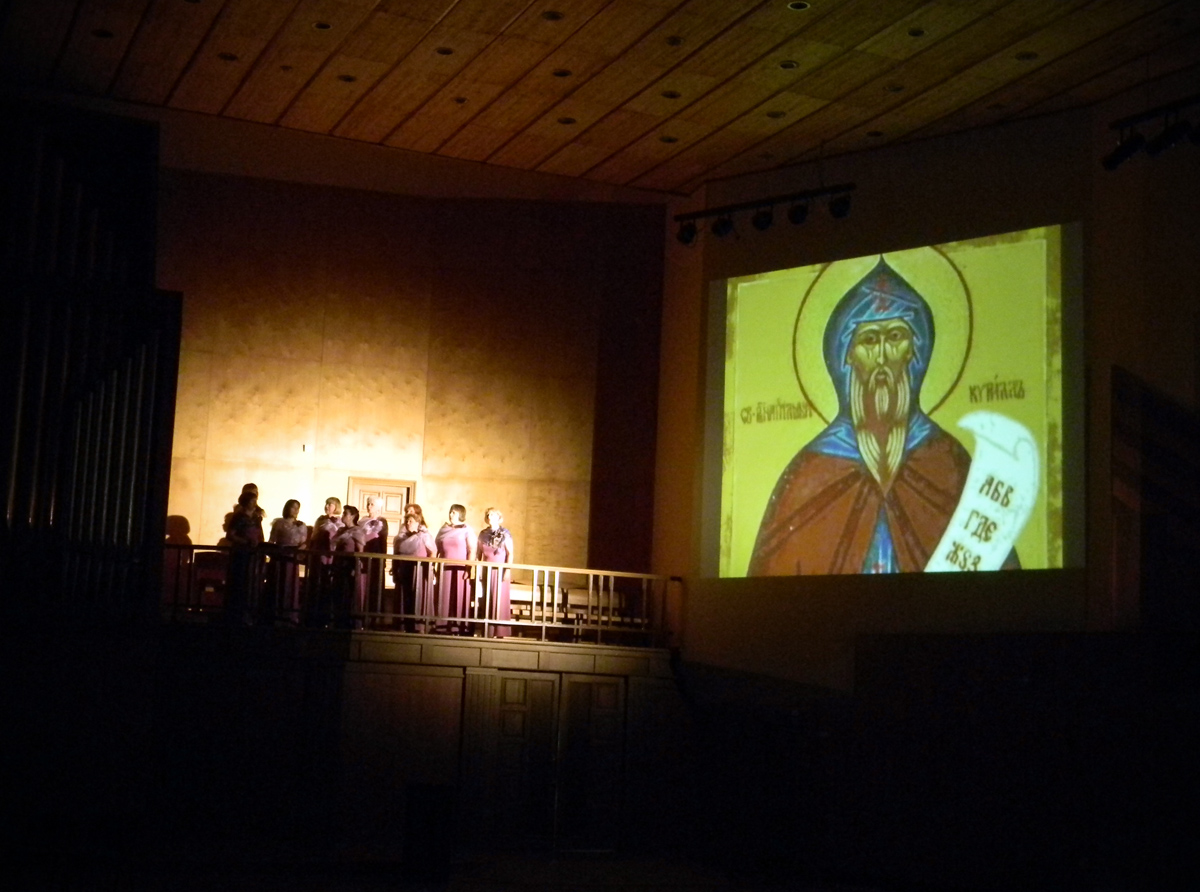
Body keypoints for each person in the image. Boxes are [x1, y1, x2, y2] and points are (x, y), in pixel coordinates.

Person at [749, 258, 1017, 575]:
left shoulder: (947, 460)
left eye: (895, 337)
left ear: (914, 351)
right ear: (847, 355)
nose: (881, 358)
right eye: (869, 340)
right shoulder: (811, 470)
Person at [434, 504, 475, 633]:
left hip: (461, 568)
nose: (451, 514)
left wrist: (469, 568)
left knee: (459, 596)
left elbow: (472, 550)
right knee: (444, 596)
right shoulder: (443, 529)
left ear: (460, 515)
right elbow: (436, 548)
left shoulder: (467, 529)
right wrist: (433, 566)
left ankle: (459, 627)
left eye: (454, 513)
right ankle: (442, 626)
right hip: (445, 568)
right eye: (450, 512)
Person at [225, 490, 265, 624]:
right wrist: (245, 541)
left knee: (252, 582)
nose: (255, 503)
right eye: (252, 501)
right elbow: (230, 535)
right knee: (240, 581)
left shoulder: (256, 517)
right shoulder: (239, 517)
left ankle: (251, 612)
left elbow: (260, 533)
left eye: (255, 501)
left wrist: (261, 544)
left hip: (254, 554)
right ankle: (237, 613)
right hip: (241, 553)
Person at [393, 512, 436, 631]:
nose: (408, 523)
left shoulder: (424, 536)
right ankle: (404, 624)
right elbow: (396, 553)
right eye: (407, 521)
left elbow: (433, 551)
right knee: (405, 596)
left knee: (418, 596)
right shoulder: (401, 537)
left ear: (418, 523)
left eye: (411, 521)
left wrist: (430, 567)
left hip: (419, 570)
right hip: (404, 568)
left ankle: (419, 625)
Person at [475, 507, 514, 638]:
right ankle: (488, 631)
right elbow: (478, 554)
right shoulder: (483, 534)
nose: (489, 517)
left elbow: (510, 553)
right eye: (488, 515)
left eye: (492, 514)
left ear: (498, 517)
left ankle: (500, 631)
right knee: (487, 599)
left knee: (500, 600)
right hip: (487, 570)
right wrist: (477, 570)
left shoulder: (505, 533)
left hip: (500, 570)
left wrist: (507, 570)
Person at [267, 499, 307, 621]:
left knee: (290, 583)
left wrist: (299, 550)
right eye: (293, 507)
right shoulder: (279, 523)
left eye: (297, 508)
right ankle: (275, 612)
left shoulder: (301, 525)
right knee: (278, 582)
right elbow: (272, 540)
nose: (295, 510)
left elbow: (304, 543)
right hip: (279, 558)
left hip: (292, 559)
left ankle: (289, 614)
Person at [331, 505, 369, 627]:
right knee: (338, 591)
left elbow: (360, 550)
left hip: (349, 565)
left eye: (345, 513)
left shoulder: (357, 531)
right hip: (339, 564)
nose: (343, 515)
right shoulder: (341, 530)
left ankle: (349, 622)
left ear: (352, 516)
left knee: (348, 593)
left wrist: (356, 567)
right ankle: (338, 620)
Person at [359, 495, 389, 624]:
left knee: (375, 585)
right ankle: (361, 613)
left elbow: (382, 540)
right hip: (364, 557)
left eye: (372, 504)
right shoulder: (362, 521)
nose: (369, 506)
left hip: (376, 557)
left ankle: (375, 617)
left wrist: (383, 559)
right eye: (368, 504)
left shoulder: (382, 522)